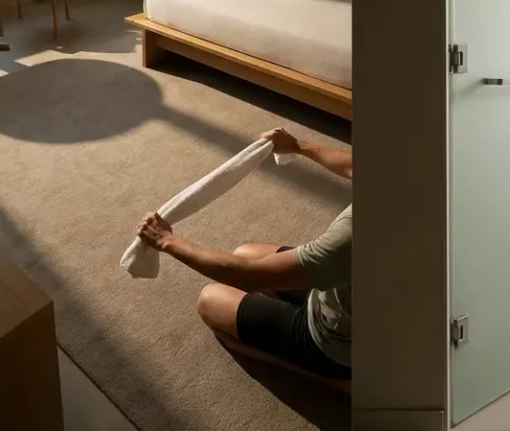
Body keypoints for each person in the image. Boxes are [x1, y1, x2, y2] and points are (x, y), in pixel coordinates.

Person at [136, 127, 351, 391]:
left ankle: (337, 378)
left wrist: (166, 241)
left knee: (210, 301)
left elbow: (248, 275)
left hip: (341, 344)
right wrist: (298, 146)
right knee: (244, 251)